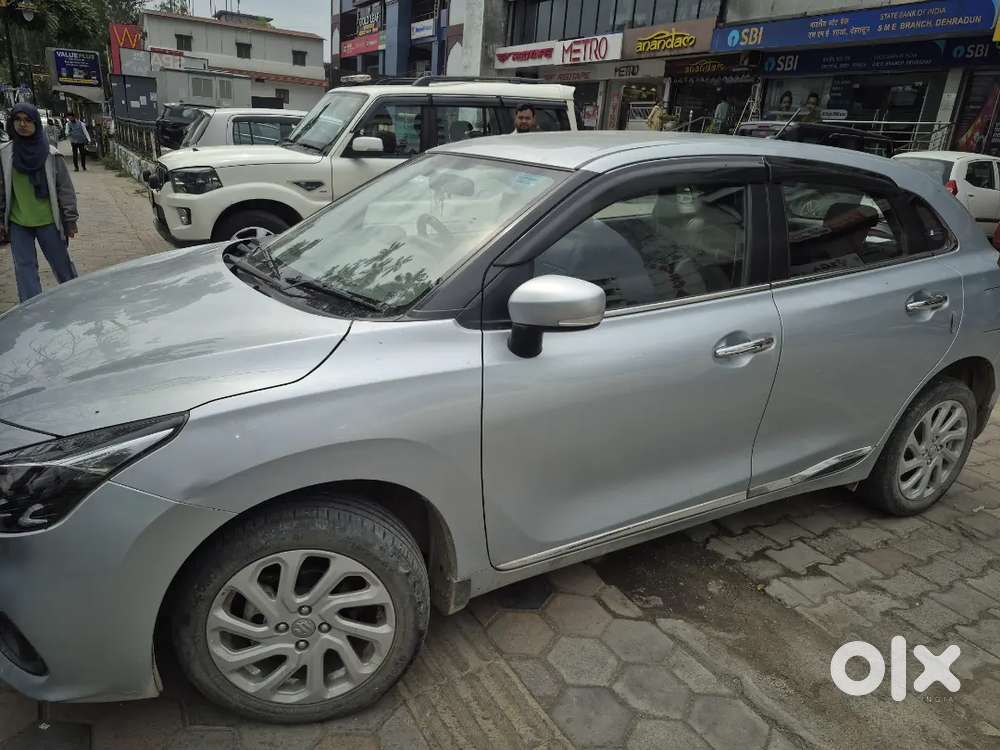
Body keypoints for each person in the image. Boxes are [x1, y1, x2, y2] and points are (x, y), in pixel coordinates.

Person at [0, 103, 79, 302]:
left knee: (62, 266)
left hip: (49, 221)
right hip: (18, 223)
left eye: (27, 120)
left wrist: (70, 219)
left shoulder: (50, 155)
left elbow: (65, 189)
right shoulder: (5, 154)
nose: (22, 124)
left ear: (36, 123)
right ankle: (31, 311)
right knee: (24, 270)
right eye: (17, 120)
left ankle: (77, 300)